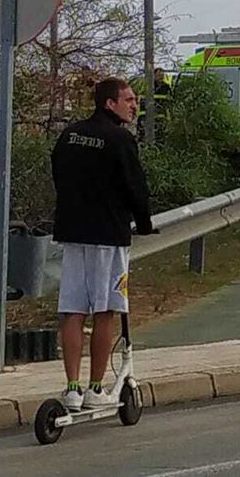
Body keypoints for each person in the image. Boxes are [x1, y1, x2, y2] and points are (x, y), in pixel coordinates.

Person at [50, 76, 155, 411]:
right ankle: (96, 388)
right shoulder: (119, 139)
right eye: (129, 100)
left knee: (72, 310)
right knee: (105, 310)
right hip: (108, 236)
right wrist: (145, 223)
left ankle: (71, 388)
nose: (134, 105)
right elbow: (134, 188)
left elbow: (58, 174)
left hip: (72, 233)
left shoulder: (70, 135)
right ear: (109, 103)